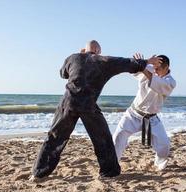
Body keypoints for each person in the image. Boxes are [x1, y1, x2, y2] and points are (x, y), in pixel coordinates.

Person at [30, 40, 162, 180]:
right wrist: (147, 61)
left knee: (55, 137)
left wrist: (79, 57)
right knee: (102, 139)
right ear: (98, 51)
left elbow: (63, 74)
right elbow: (127, 63)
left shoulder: (72, 57)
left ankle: (38, 173)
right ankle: (109, 173)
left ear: (84, 49)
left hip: (68, 102)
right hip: (88, 104)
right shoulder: (103, 61)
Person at [113, 53, 176, 171]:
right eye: (154, 67)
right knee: (118, 137)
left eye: (158, 69)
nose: (155, 71)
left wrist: (143, 67)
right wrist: (141, 62)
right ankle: (112, 165)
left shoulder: (170, 82)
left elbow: (155, 81)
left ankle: (158, 162)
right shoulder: (149, 68)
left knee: (164, 146)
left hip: (152, 119)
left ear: (166, 68)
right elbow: (133, 68)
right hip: (133, 114)